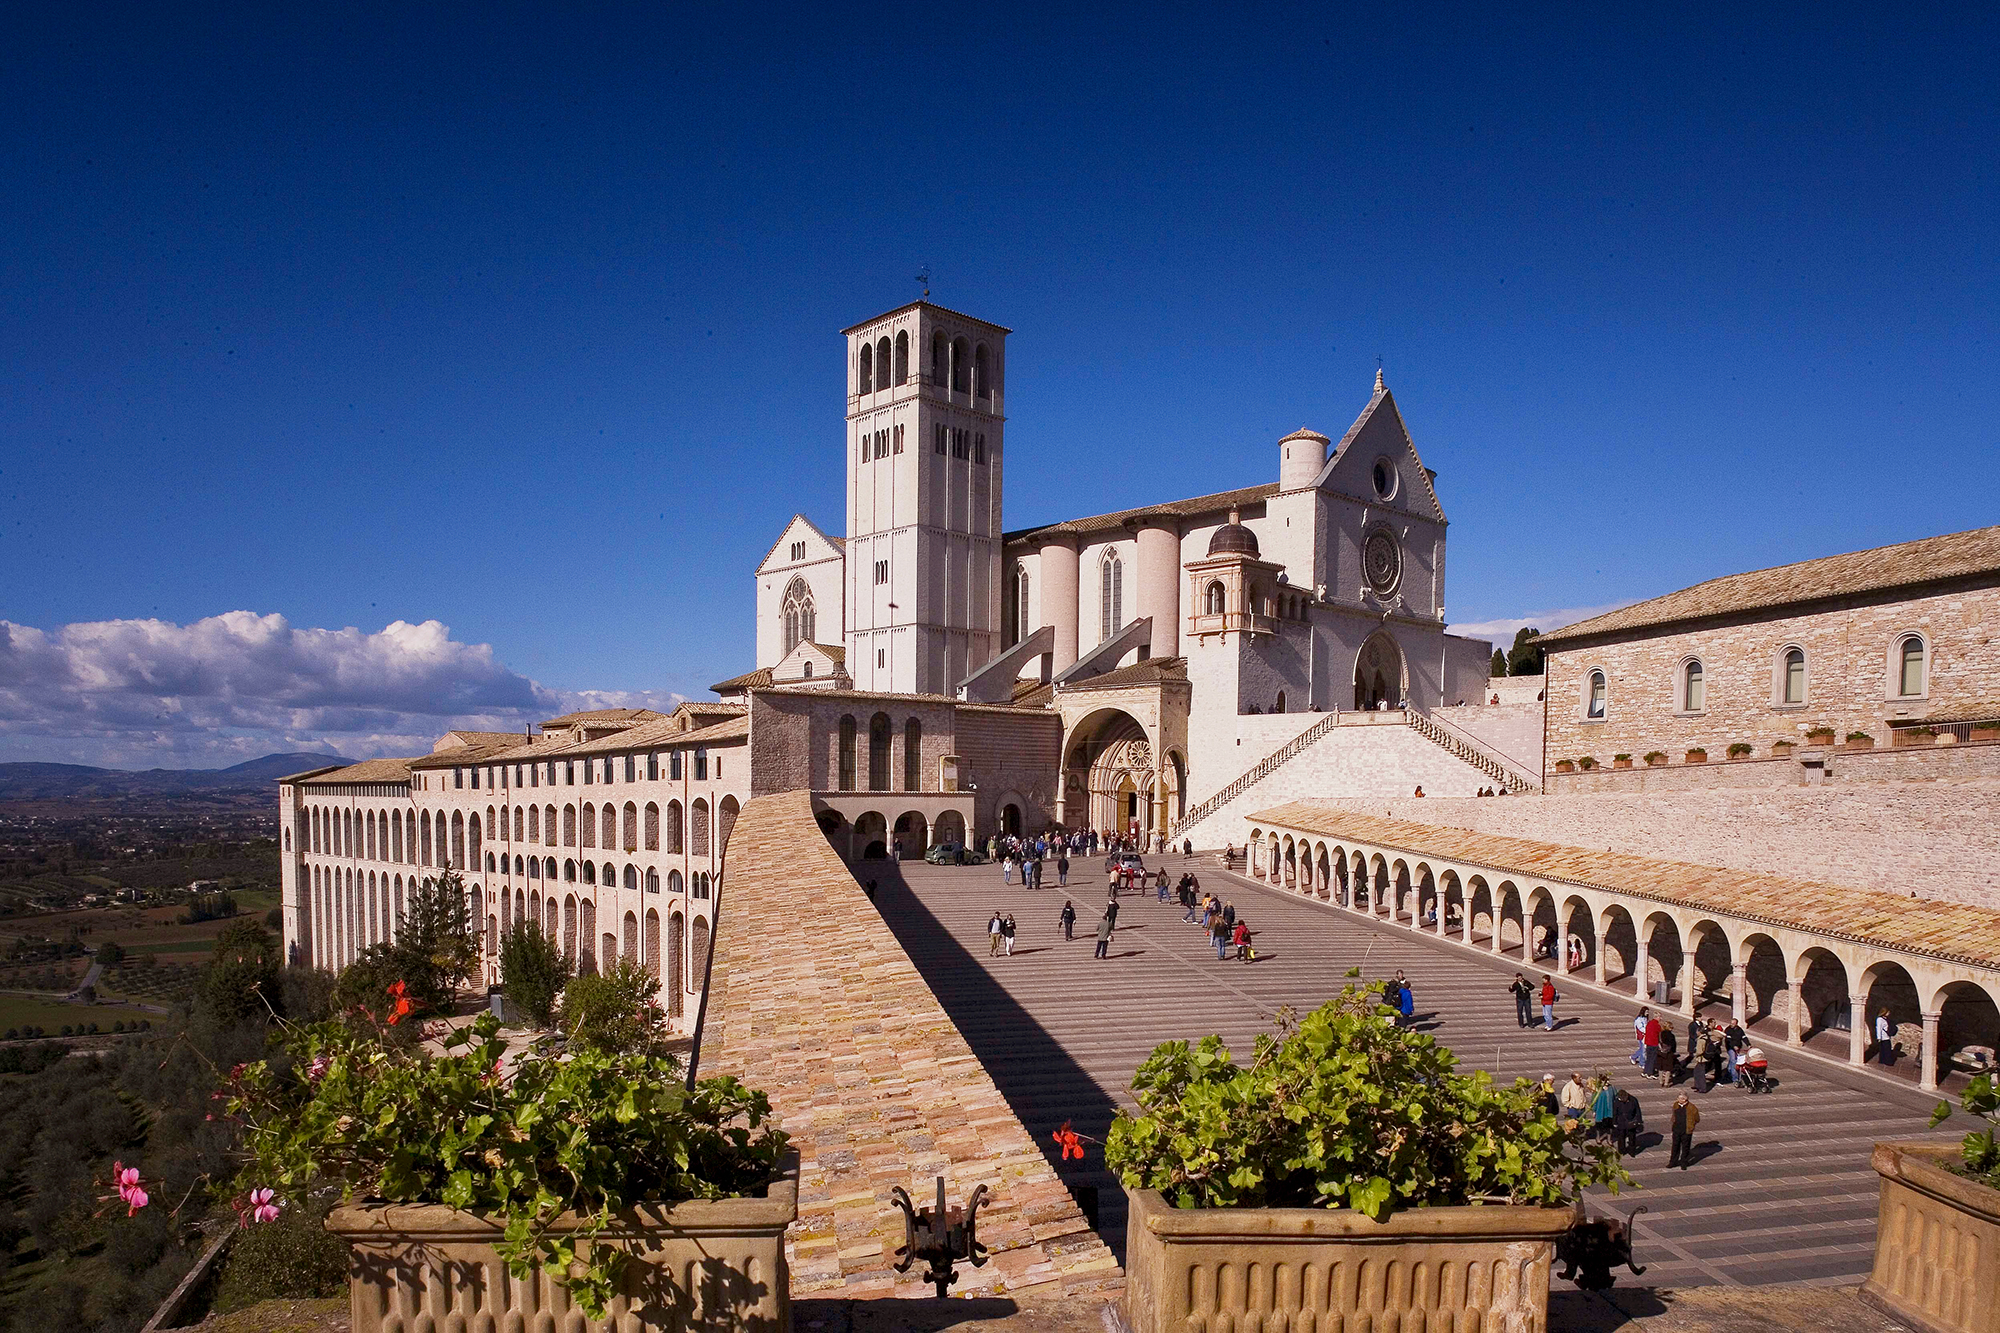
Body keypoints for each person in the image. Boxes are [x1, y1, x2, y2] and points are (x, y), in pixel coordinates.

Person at [1668, 1093, 1700, 1169]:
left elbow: (1697, 1118)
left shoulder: (1692, 1108)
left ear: (1684, 1099)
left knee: (1685, 1147)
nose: (1677, 1099)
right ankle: (1673, 1162)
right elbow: (1674, 1114)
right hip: (1676, 1129)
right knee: (1675, 1146)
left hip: (1686, 1130)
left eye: (1679, 1098)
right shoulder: (1676, 1105)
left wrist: (1691, 1126)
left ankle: (1684, 1163)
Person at [1611, 1086, 1643, 1157]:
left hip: (1631, 1121)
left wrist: (1639, 1120)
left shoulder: (1633, 1100)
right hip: (1621, 1122)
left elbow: (1638, 1110)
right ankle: (1621, 1151)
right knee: (1621, 1137)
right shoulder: (1617, 1101)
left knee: (1632, 1137)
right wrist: (1614, 1122)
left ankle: (1632, 1151)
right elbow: (1615, 1112)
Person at [1642, 1010, 1662, 1080]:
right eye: (1660, 1017)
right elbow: (1659, 1035)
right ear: (1657, 1017)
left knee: (1648, 1058)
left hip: (1648, 1043)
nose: (1660, 1018)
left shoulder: (1649, 1023)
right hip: (1654, 1043)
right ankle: (1650, 1073)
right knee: (1652, 1059)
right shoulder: (1657, 1025)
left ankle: (1645, 1071)